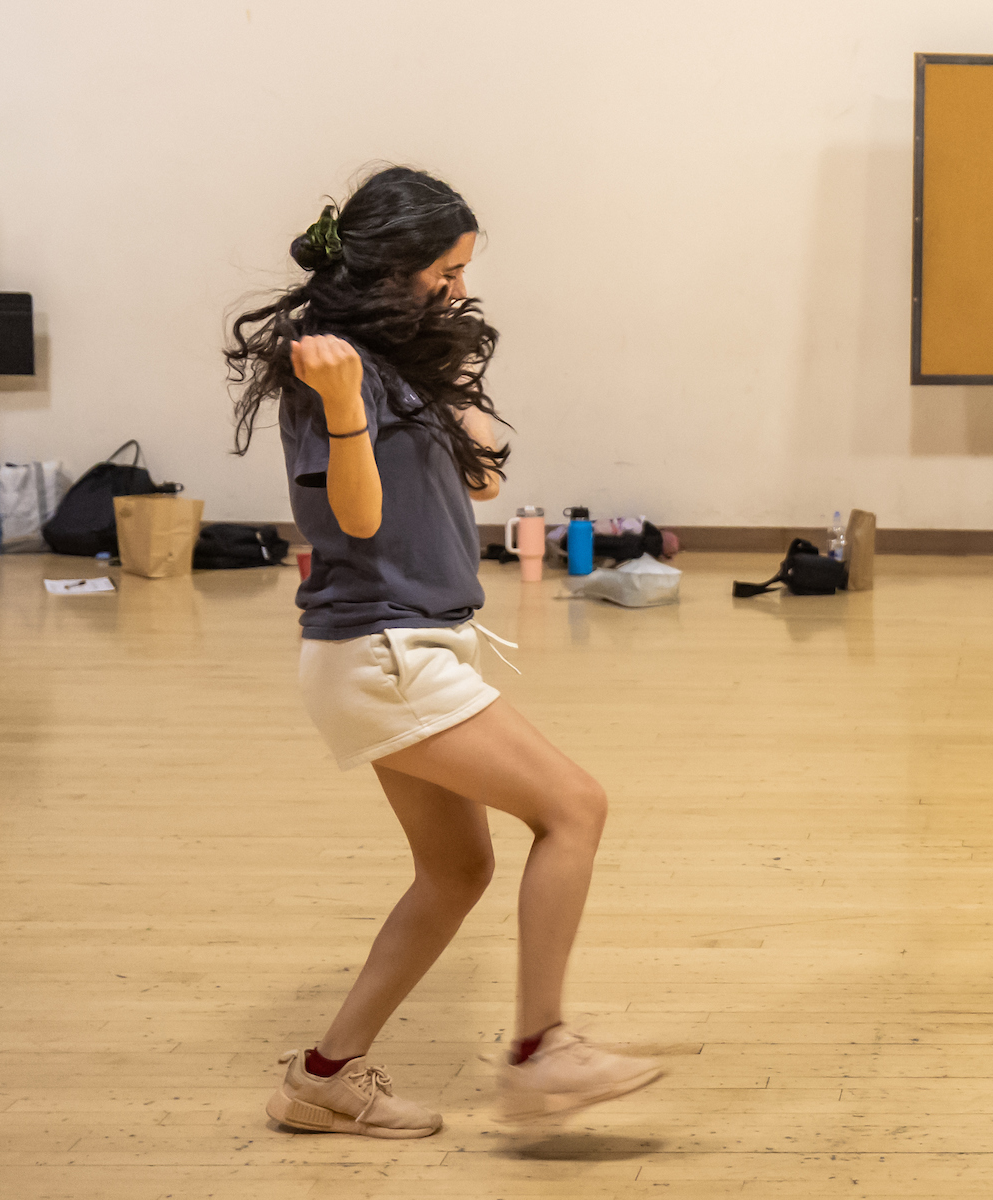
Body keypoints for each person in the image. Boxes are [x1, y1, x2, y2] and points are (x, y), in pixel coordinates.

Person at [225, 166, 662, 1138]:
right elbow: (356, 517)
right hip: (382, 649)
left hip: (415, 644)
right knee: (575, 806)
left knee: (456, 871)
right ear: (394, 267)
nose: (460, 290)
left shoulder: (397, 363)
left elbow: (481, 487)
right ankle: (542, 1046)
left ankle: (324, 1078)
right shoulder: (330, 370)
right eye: (448, 271)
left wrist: (463, 406)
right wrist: (344, 405)